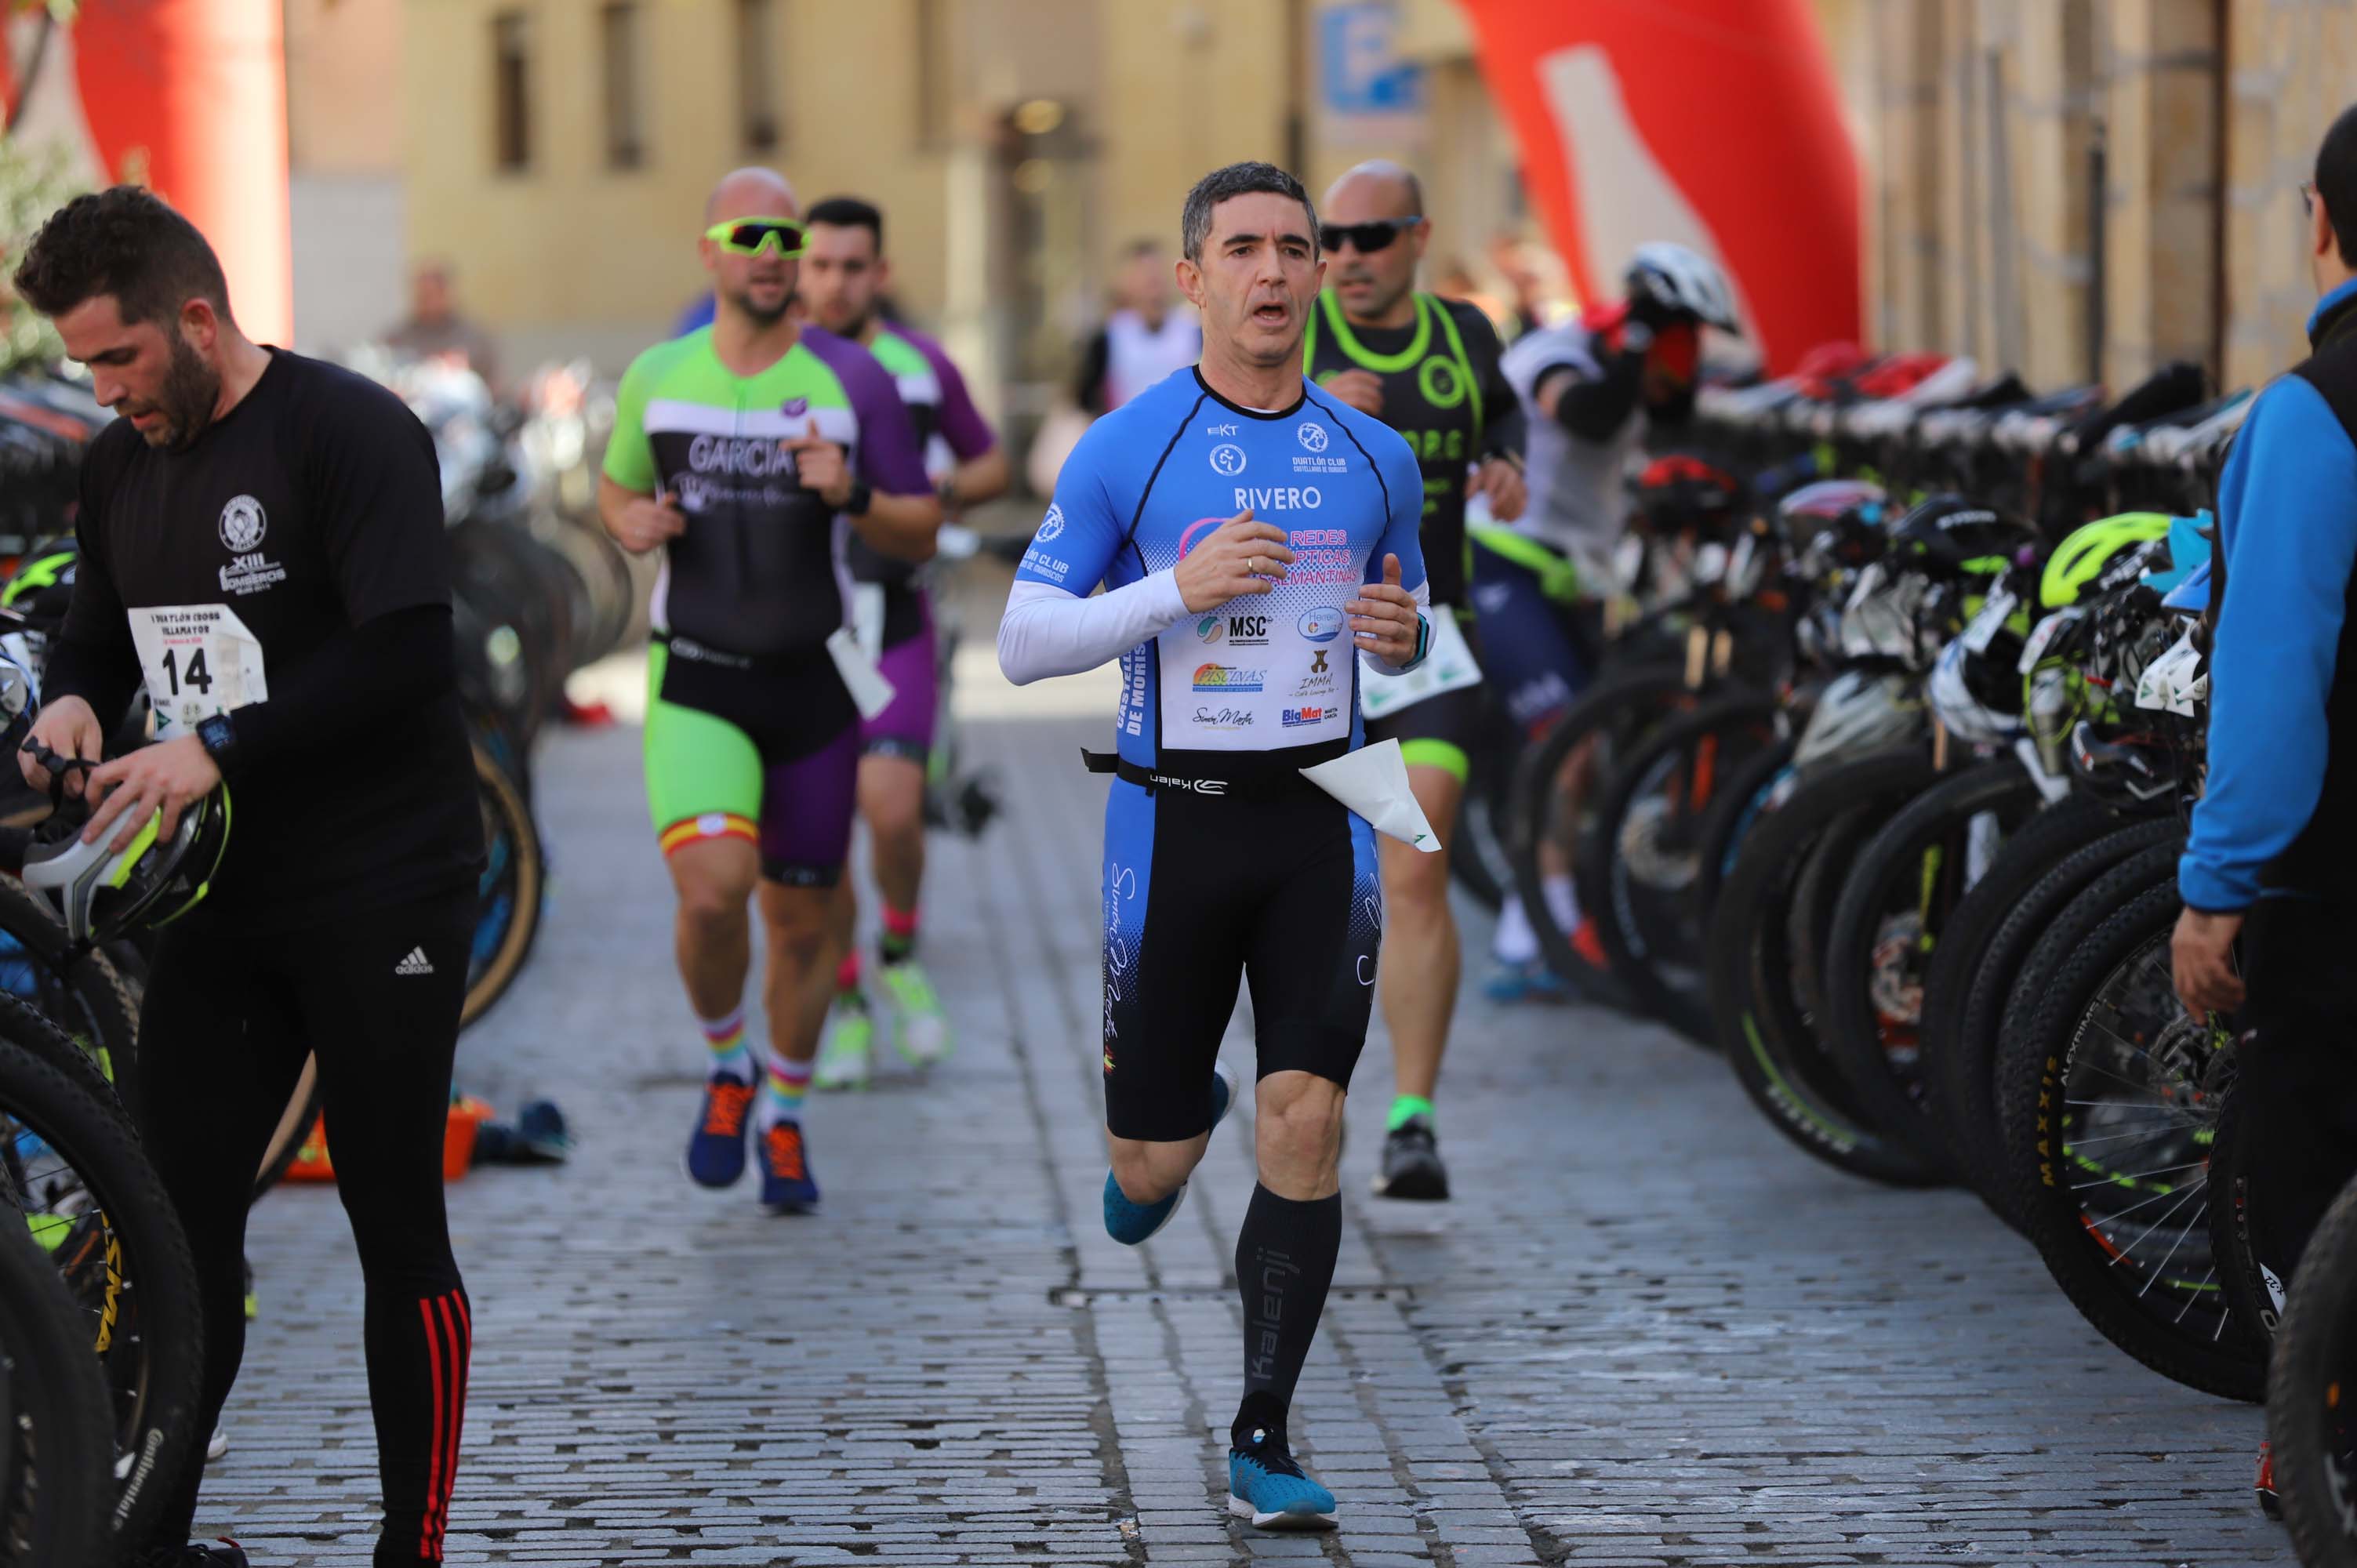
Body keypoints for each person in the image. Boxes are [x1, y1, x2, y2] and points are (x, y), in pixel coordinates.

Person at [13, 186, 485, 1568]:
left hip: (386, 881)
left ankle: (419, 1545)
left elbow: (408, 652)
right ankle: (147, 1531)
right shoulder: (120, 464)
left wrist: (217, 741)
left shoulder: (350, 431)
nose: (108, 391)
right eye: (87, 367)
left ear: (198, 317)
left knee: (393, 1219)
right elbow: (98, 642)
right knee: (174, 1216)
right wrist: (72, 708)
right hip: (221, 895)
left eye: (122, 359)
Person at [999, 160, 1428, 1532]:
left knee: (1305, 1119)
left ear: (1316, 277)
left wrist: (1405, 640)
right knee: (1159, 1165)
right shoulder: (1131, 445)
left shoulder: (1374, 457)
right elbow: (1019, 642)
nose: (1274, 272)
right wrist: (1169, 592)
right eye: (1241, 249)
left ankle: (1261, 1434)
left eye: (1294, 249)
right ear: (1192, 280)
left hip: (1322, 817)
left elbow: (1404, 618)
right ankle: (1153, 1148)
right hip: (1169, 825)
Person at [598, 168, 940, 1213]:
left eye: (783, 237)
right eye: (748, 234)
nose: (769, 252)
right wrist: (624, 520)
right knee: (712, 892)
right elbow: (616, 484)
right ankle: (724, 1061)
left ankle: (783, 1114)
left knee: (801, 924)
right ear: (710, 251)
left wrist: (852, 494)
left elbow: (918, 523)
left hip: (812, 687)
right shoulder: (656, 374)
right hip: (698, 678)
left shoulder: (855, 379)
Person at [2174, 104, 2357, 1436]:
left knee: (2313, 1165)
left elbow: (2274, 683)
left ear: (2322, 222)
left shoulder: (2311, 415)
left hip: (2336, 888)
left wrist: (2215, 886)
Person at [1302, 161, 1525, 1201]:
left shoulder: (1463, 335)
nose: (1345, 259)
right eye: (1330, 240)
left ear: (1418, 238)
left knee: (1416, 866)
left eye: (1369, 238)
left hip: (1429, 638)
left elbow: (1503, 413)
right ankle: (1297, 1092)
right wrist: (1309, 410)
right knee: (1301, 889)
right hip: (1296, 648)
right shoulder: (1293, 336)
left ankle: (1411, 1120)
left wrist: (1506, 462)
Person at [1483, 242, 1738, 998]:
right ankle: (1536, 931)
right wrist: (1634, 340)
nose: (1681, 357)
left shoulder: (1632, 362)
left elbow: (1673, 415)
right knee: (1569, 740)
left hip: (1572, 574)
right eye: (1677, 338)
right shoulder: (1558, 355)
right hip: (1503, 565)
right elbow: (1589, 418)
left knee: (1588, 746)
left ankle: (1539, 917)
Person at [794, 195, 1008, 1088]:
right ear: (800, 271)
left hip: (896, 616)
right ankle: (846, 1001)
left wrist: (935, 499)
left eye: (854, 266)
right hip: (806, 625)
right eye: (822, 265)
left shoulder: (919, 366)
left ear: (881, 273)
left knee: (890, 810)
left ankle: (900, 950)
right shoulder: (776, 367)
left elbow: (991, 459)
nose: (837, 282)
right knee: (821, 832)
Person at [1073, 238, 1201, 415]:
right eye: (1144, 275)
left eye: (1157, 274)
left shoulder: (1193, 332)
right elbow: (1085, 399)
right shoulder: (1109, 337)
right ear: (1127, 283)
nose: (1152, 282)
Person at [383, 259, 500, 388]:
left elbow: (493, 383)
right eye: (423, 295)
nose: (428, 302)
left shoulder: (474, 337)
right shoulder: (398, 337)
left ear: (446, 292)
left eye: (432, 294)